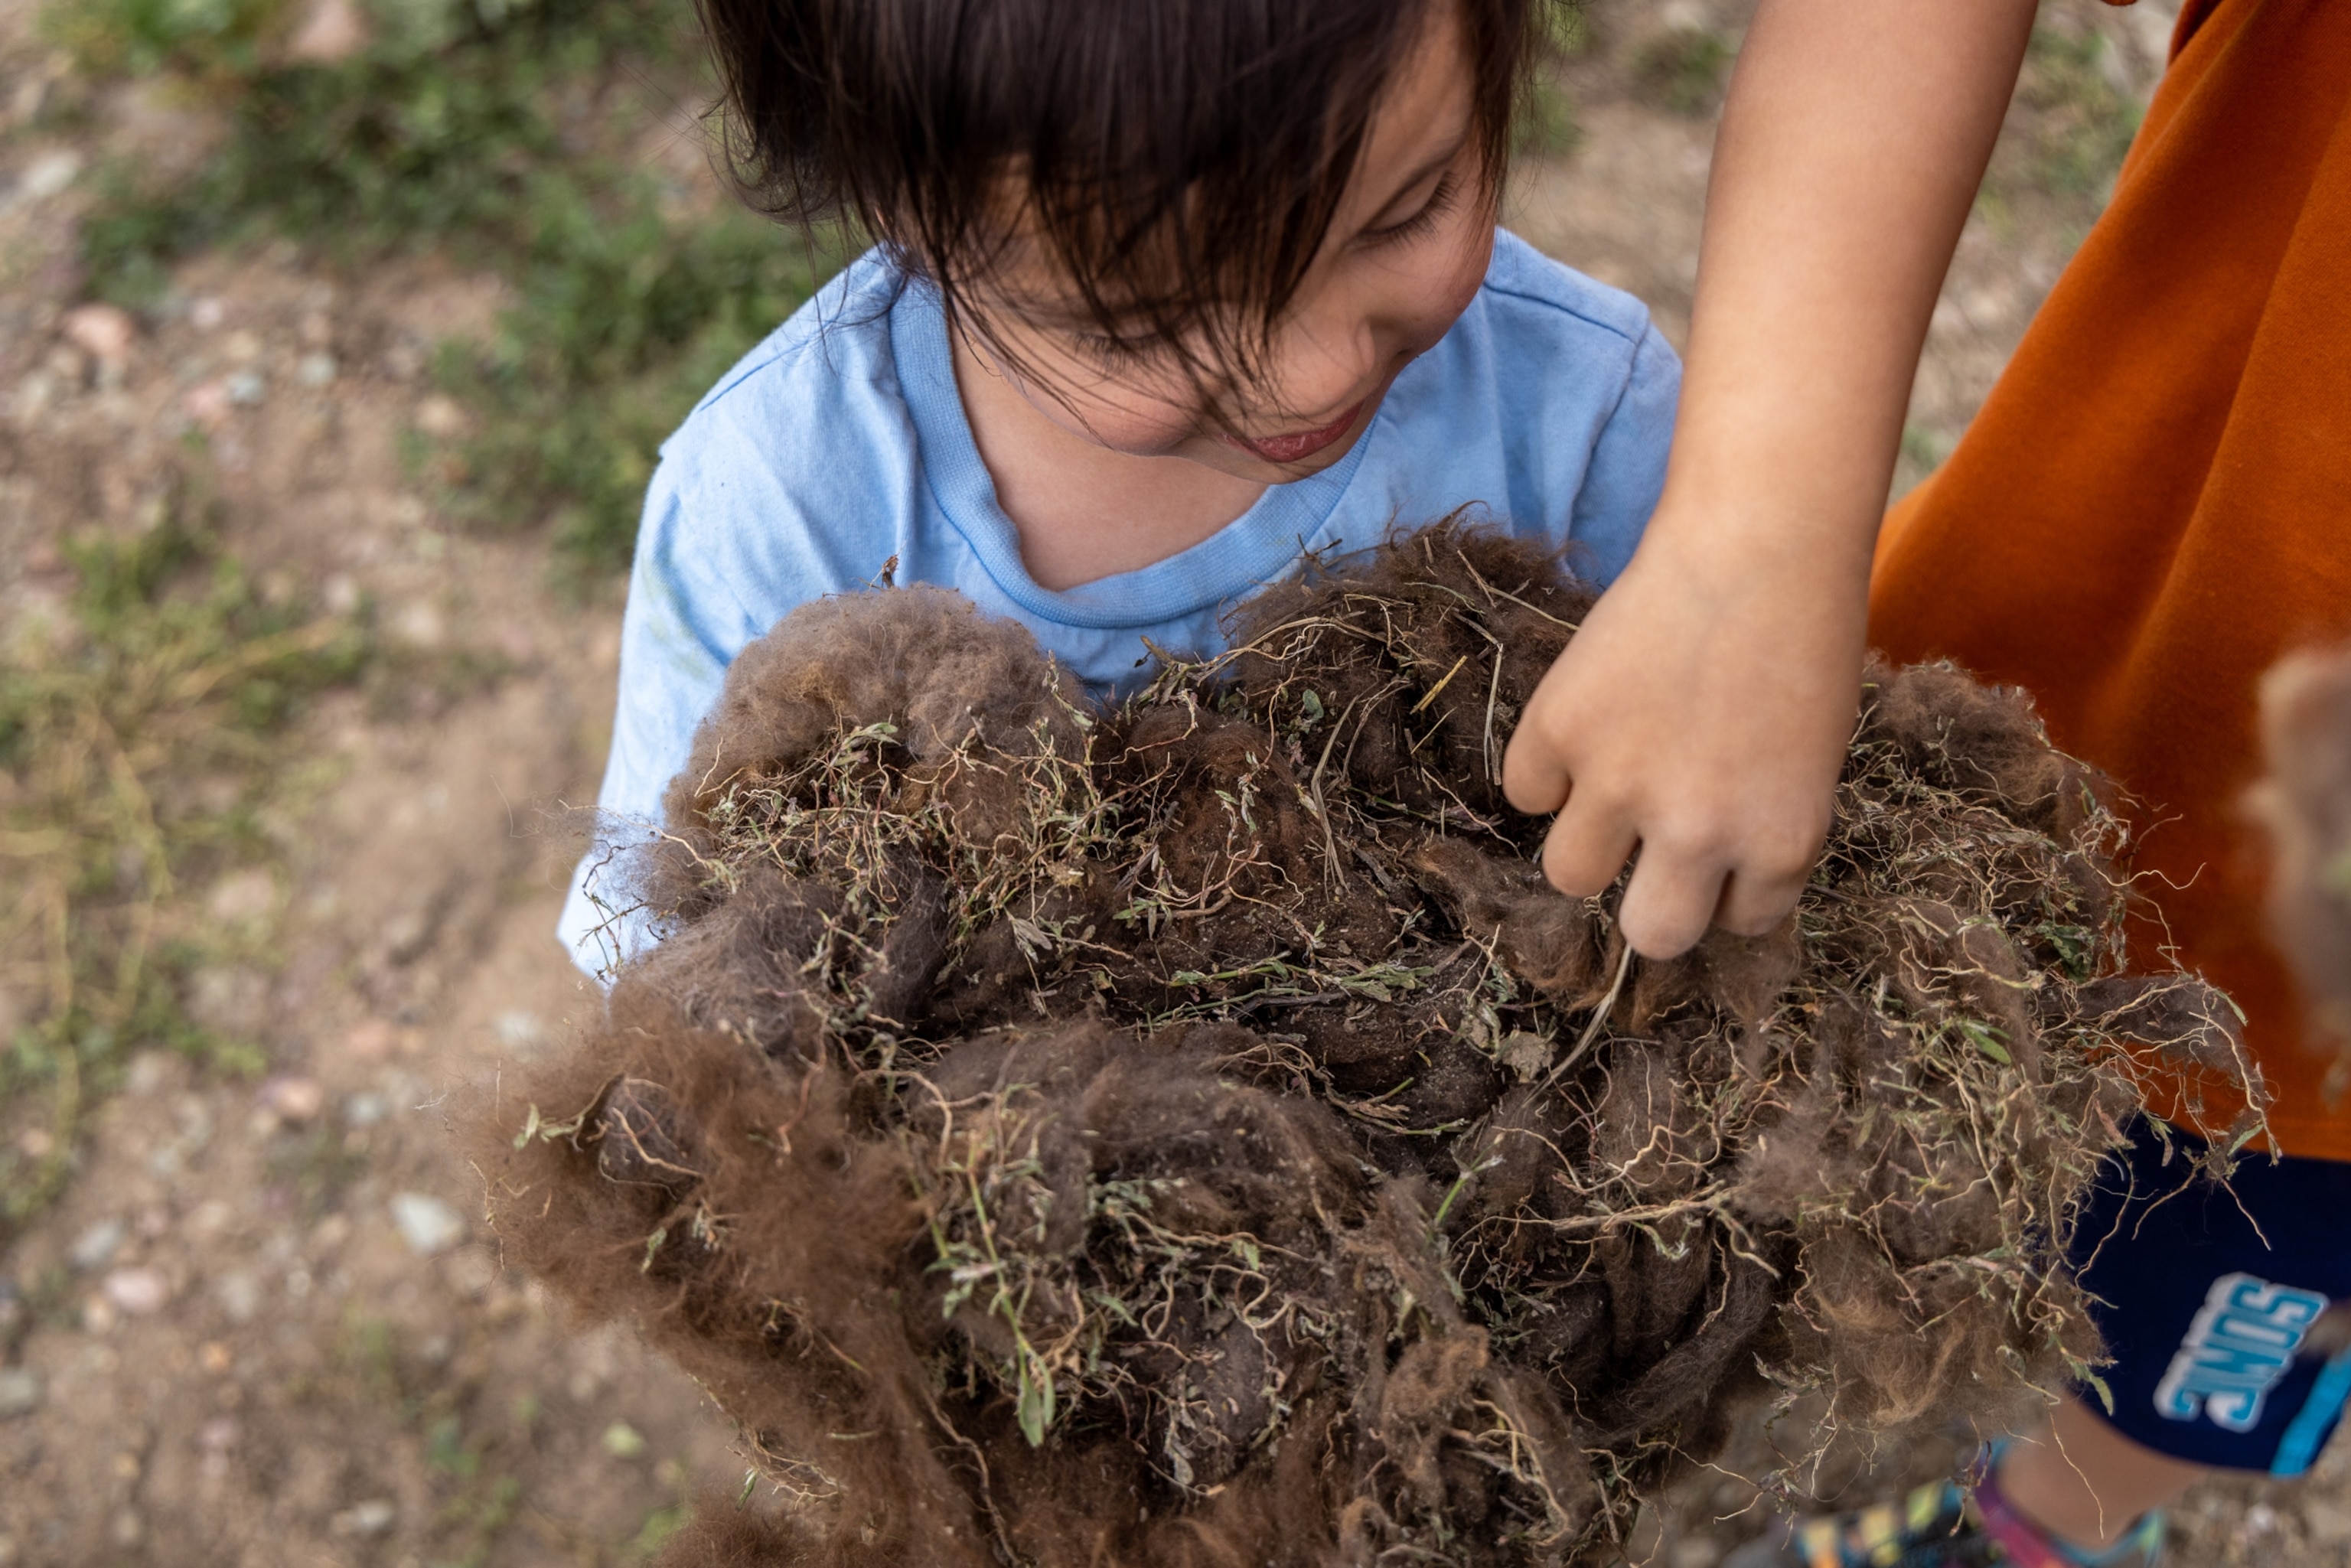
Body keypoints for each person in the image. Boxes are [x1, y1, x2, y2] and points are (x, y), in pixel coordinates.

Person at [1492, 2, 2351, 1564]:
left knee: (2196, 1333)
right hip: (2099, 600)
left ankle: (2023, 1535)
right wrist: (1757, 542)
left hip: (2334, 1045)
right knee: (1866, 1061)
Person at [557, 0, 1681, 973]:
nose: (1317, 372)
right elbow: (670, 942)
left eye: (1406, 212)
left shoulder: (1583, 416)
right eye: (1146, 324)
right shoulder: (776, 507)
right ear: (910, 221)